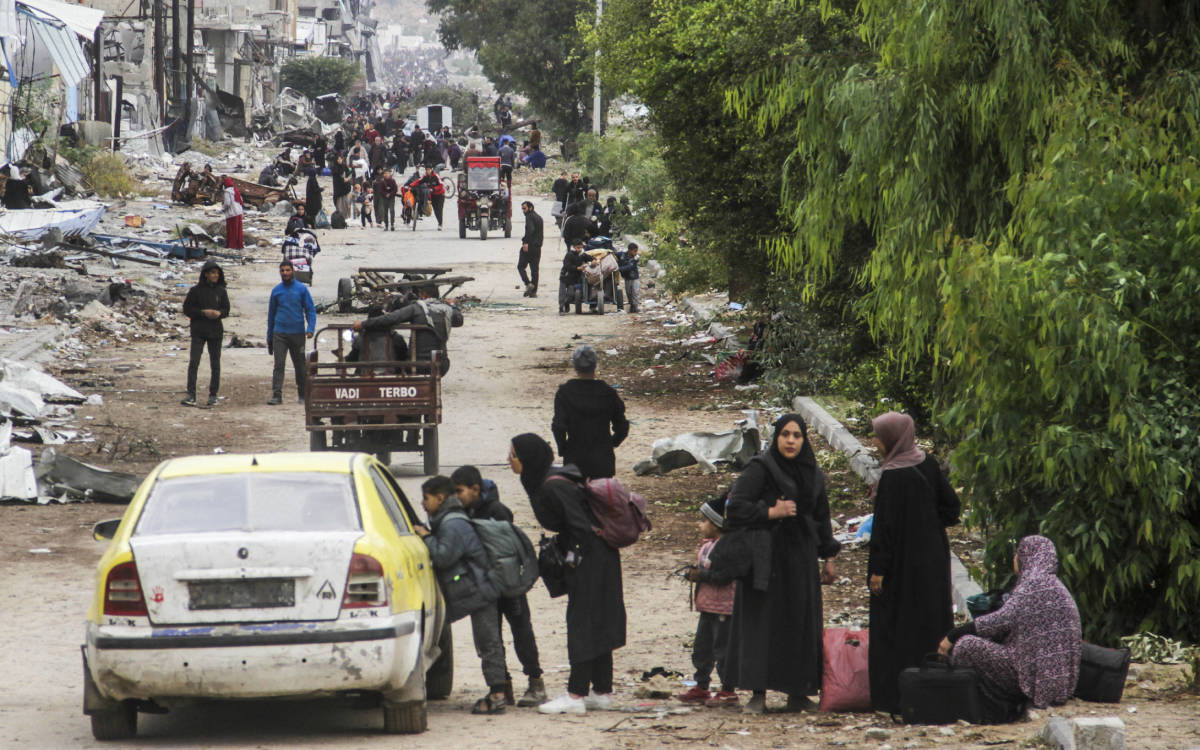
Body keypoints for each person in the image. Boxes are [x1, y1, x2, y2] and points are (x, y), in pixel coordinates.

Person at [720, 414, 840, 714]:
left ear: (804, 440)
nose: (790, 441)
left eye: (797, 435)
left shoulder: (813, 473)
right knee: (763, 623)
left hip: (800, 557)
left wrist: (829, 556)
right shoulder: (762, 468)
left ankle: (798, 692)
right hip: (765, 557)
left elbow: (820, 516)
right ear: (776, 438)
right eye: (785, 434)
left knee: (799, 622)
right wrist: (771, 512)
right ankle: (757, 693)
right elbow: (734, 508)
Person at [509, 433, 626, 715]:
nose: (508, 460)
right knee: (595, 620)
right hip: (596, 556)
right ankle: (601, 691)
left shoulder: (552, 486)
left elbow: (580, 526)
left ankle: (576, 695)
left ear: (527, 459)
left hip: (591, 559)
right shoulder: (545, 480)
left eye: (512, 455)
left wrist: (573, 560)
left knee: (582, 623)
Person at [866, 411, 962, 713]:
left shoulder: (893, 475)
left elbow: (884, 529)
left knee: (895, 626)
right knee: (930, 621)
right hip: (932, 558)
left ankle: (894, 697)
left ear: (893, 439)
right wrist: (929, 525)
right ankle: (934, 693)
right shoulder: (928, 463)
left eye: (879, 437)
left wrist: (877, 571)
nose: (875, 442)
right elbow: (952, 507)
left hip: (900, 566)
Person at [939, 535, 1081, 710]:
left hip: (1031, 679)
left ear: (1027, 556)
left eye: (1017, 554)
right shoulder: (1057, 587)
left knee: (966, 646)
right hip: (1059, 684)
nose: (1014, 559)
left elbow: (999, 622)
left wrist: (953, 635)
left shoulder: (1032, 584)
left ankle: (990, 706)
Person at [451, 465, 546, 708]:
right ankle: (503, 686)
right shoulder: (463, 513)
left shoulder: (497, 511)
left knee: (521, 631)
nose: (456, 497)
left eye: (459, 491)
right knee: (489, 639)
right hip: (483, 587)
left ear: (475, 488)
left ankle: (536, 682)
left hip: (507, 584)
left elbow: (506, 549)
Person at [414, 475, 509, 716]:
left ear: (440, 497)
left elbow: (444, 556)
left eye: (426, 498)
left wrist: (426, 537)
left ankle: (498, 695)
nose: (423, 504)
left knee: (488, 643)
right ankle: (500, 690)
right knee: (487, 642)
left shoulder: (452, 523)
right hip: (474, 590)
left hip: (480, 590)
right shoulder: (446, 519)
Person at [678, 494, 739, 707]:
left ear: (717, 524)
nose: (700, 525)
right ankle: (701, 685)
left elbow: (724, 577)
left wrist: (700, 576)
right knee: (702, 647)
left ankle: (728, 689)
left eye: (704, 521)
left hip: (724, 607)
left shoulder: (728, 548)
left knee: (722, 649)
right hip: (707, 607)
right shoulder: (708, 546)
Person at [550, 345, 629, 480]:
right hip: (603, 459)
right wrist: (610, 444)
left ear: (575, 367)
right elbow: (622, 426)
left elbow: (558, 426)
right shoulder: (608, 393)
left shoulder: (565, 393)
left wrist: (563, 448)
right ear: (595, 366)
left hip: (575, 457)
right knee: (601, 498)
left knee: (575, 498)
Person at [352, 286, 463, 376]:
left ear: (423, 295)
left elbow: (391, 318)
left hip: (416, 365)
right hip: (441, 365)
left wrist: (363, 324)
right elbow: (459, 320)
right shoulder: (447, 310)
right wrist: (452, 305)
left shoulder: (416, 308)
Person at [266, 259, 317, 405]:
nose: (285, 273)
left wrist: (310, 329)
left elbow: (310, 310)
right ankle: (277, 395)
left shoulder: (301, 289)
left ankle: (302, 394)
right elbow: (271, 315)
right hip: (279, 333)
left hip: (298, 334)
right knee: (279, 365)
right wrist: (269, 337)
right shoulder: (276, 291)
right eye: (282, 271)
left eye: (288, 270)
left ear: (293, 271)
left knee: (300, 365)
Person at [181, 260, 229, 407]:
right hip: (198, 331)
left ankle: (213, 395)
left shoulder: (221, 291)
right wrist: (203, 313)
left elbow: (226, 310)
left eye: (217, 273)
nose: (215, 275)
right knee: (194, 362)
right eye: (212, 272)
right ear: (206, 274)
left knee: (215, 364)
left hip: (215, 331)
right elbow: (187, 309)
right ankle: (191, 395)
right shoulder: (195, 291)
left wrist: (218, 313)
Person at [518, 201, 543, 297]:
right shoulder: (539, 217)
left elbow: (530, 230)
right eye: (522, 209)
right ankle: (533, 292)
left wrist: (525, 243)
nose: (523, 211)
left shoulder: (529, 217)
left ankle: (528, 284)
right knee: (535, 270)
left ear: (530, 208)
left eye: (524, 208)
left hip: (530, 246)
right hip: (537, 247)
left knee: (520, 266)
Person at [558, 241, 590, 314]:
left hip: (574, 279)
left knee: (571, 294)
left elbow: (590, 258)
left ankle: (566, 303)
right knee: (562, 294)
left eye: (581, 248)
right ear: (574, 247)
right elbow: (567, 266)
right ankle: (561, 308)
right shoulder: (569, 255)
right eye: (578, 248)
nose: (579, 249)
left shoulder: (582, 255)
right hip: (565, 277)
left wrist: (595, 260)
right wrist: (578, 268)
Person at [616, 243, 641, 313]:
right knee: (629, 293)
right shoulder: (622, 255)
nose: (636, 253)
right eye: (634, 251)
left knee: (635, 292)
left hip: (634, 278)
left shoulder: (636, 257)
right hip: (627, 278)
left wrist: (618, 269)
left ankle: (635, 307)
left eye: (636, 251)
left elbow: (630, 267)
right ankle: (632, 305)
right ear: (630, 250)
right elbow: (614, 254)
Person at [221, 177, 244, 249]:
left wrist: (223, 209)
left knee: (232, 231)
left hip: (232, 213)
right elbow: (241, 200)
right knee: (238, 231)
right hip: (239, 212)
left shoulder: (227, 192)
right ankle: (239, 245)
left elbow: (227, 203)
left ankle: (232, 245)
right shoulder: (235, 190)